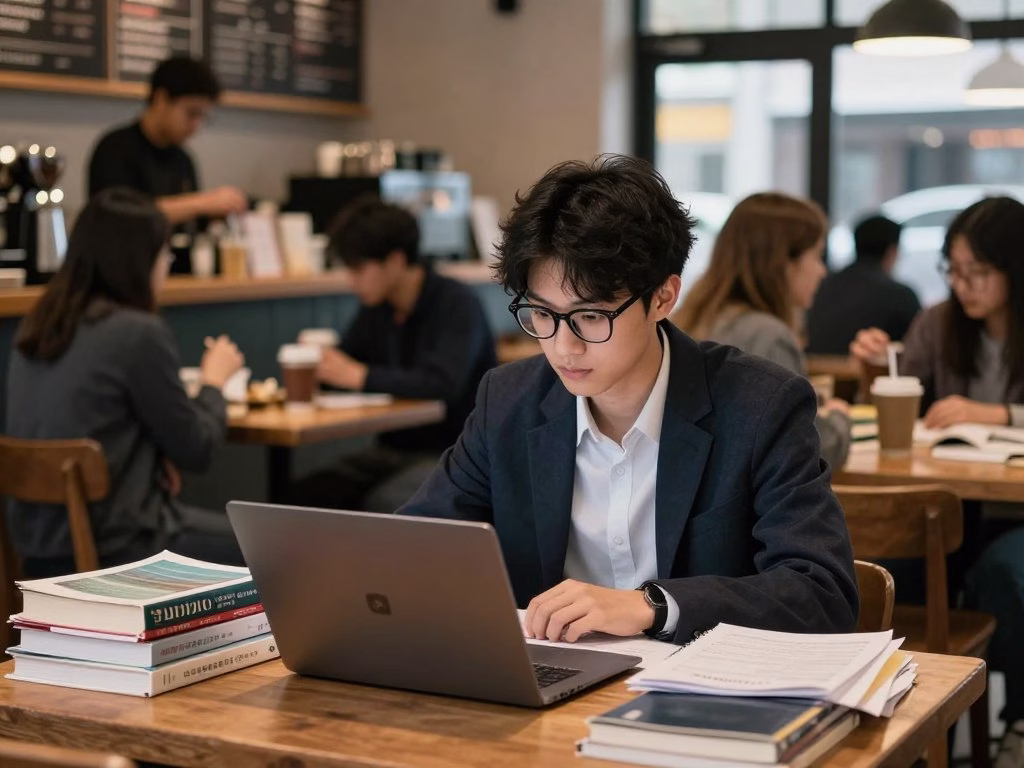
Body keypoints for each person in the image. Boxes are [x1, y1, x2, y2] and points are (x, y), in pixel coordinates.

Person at [399, 156, 858, 644]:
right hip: (549, 684)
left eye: (591, 316)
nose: (563, 346)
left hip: (700, 693)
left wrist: (651, 606)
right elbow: (416, 546)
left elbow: (822, 592)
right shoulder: (508, 400)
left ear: (663, 297)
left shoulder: (760, 405)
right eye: (541, 313)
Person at [851, 196, 1024, 768]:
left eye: (979, 272)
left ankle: (1017, 717)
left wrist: (998, 415)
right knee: (894, 569)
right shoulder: (938, 322)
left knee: (1006, 572)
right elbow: (901, 393)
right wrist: (875, 367)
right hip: (948, 500)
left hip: (1013, 512)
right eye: (954, 270)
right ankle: (909, 724)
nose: (964, 285)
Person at [6, 187, 247, 578]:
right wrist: (214, 382)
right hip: (121, 549)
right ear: (140, 261)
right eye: (163, 255)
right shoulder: (137, 333)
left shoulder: (33, 330)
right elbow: (197, 449)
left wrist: (151, 459)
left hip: (35, 553)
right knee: (283, 548)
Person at [287, 198, 497, 513]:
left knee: (385, 503)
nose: (351, 280)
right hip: (391, 452)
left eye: (358, 269)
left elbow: (442, 384)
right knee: (304, 497)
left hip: (456, 452)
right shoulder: (377, 308)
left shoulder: (456, 303)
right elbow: (347, 364)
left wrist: (360, 376)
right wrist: (324, 367)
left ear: (396, 261)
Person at [671, 192, 852, 471]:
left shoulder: (689, 319)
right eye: (817, 256)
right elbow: (809, 450)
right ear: (785, 264)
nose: (822, 271)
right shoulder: (768, 337)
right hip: (749, 508)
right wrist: (840, 418)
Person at [87, 56, 247, 273]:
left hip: (176, 278)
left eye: (203, 117)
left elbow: (194, 228)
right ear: (161, 99)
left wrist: (216, 214)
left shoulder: (183, 159)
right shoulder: (114, 149)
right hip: (122, 280)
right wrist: (202, 203)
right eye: (191, 113)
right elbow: (120, 219)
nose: (196, 125)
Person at [807, 214, 921, 355]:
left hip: (814, 373)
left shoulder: (822, 285)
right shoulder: (901, 295)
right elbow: (915, 351)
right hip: (866, 374)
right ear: (892, 250)